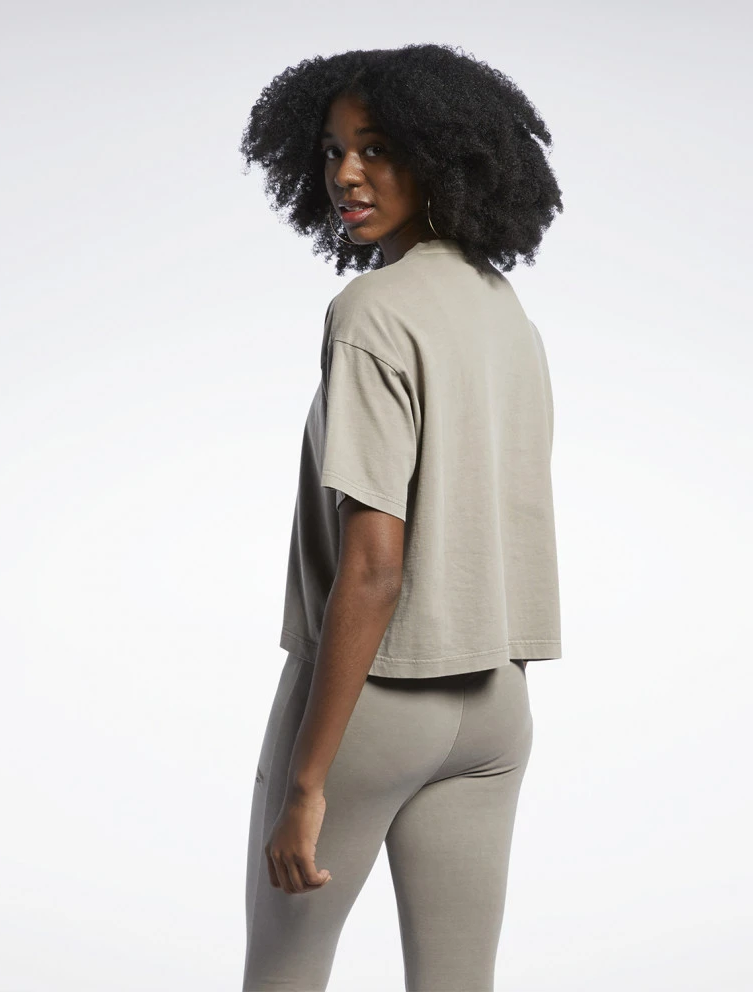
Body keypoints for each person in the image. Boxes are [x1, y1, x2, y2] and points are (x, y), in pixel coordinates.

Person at [238, 42, 564, 992]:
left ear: (441, 155)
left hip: (374, 703)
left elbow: (376, 565)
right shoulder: (506, 314)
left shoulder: (372, 312)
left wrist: (307, 783)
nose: (346, 173)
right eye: (333, 150)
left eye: (376, 148)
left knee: (284, 973)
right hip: (494, 704)